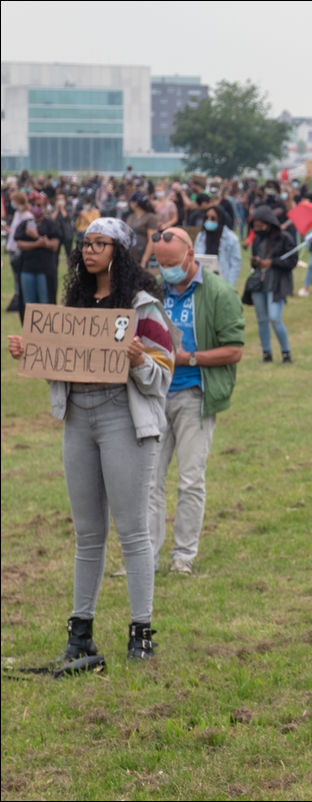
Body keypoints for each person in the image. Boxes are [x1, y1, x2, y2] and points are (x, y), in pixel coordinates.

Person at [7, 218, 174, 663]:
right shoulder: (76, 304)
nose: (89, 250)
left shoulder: (142, 307)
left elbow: (163, 376)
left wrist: (139, 361)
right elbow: (65, 365)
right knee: (87, 534)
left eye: (100, 244)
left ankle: (142, 630)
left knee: (134, 531)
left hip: (123, 416)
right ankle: (80, 632)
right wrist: (33, 353)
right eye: (85, 244)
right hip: (78, 419)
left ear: (120, 251)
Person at [148, 227, 245, 575]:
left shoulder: (218, 292)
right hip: (154, 395)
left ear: (191, 254)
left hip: (194, 395)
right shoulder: (152, 291)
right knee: (149, 482)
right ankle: (146, 557)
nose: (166, 270)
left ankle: (183, 557)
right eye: (160, 263)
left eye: (172, 262)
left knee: (190, 479)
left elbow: (234, 350)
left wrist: (189, 358)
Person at [248, 205, 298, 363]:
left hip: (276, 283)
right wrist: (256, 262)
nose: (257, 228)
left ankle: (286, 352)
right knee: (262, 320)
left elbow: (292, 261)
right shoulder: (257, 239)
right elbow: (255, 260)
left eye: (260, 225)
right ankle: (266, 353)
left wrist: (272, 263)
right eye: (255, 225)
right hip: (259, 283)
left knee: (275, 318)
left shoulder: (284, 238)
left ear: (268, 223)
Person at [13, 192, 58, 320]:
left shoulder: (50, 224)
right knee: (29, 304)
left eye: (39, 205)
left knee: (45, 303)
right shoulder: (24, 224)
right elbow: (20, 244)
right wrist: (39, 243)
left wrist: (36, 237)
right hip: (27, 269)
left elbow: (54, 245)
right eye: (33, 205)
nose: (36, 208)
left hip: (45, 270)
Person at [195, 206, 242, 287]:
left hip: (222, 281)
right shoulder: (201, 236)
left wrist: (229, 286)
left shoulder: (231, 239)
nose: (209, 220)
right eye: (207, 217)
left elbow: (235, 264)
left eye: (213, 218)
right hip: (202, 281)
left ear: (220, 219)